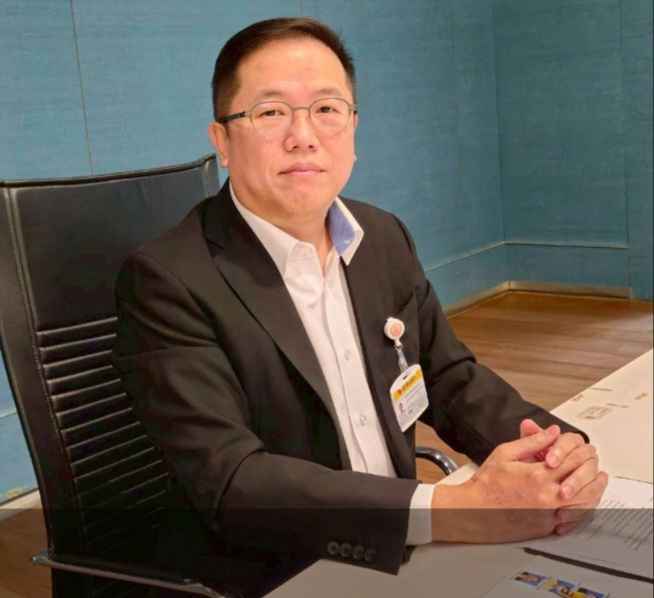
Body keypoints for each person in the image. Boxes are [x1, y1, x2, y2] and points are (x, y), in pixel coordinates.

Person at [112, 17, 608, 598]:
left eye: (327, 109)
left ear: (353, 127)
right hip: (284, 571)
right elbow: (232, 480)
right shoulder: (168, 279)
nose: (303, 136)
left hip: (410, 551)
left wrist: (558, 450)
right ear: (222, 141)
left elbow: (449, 378)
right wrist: (453, 509)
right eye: (270, 112)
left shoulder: (381, 237)